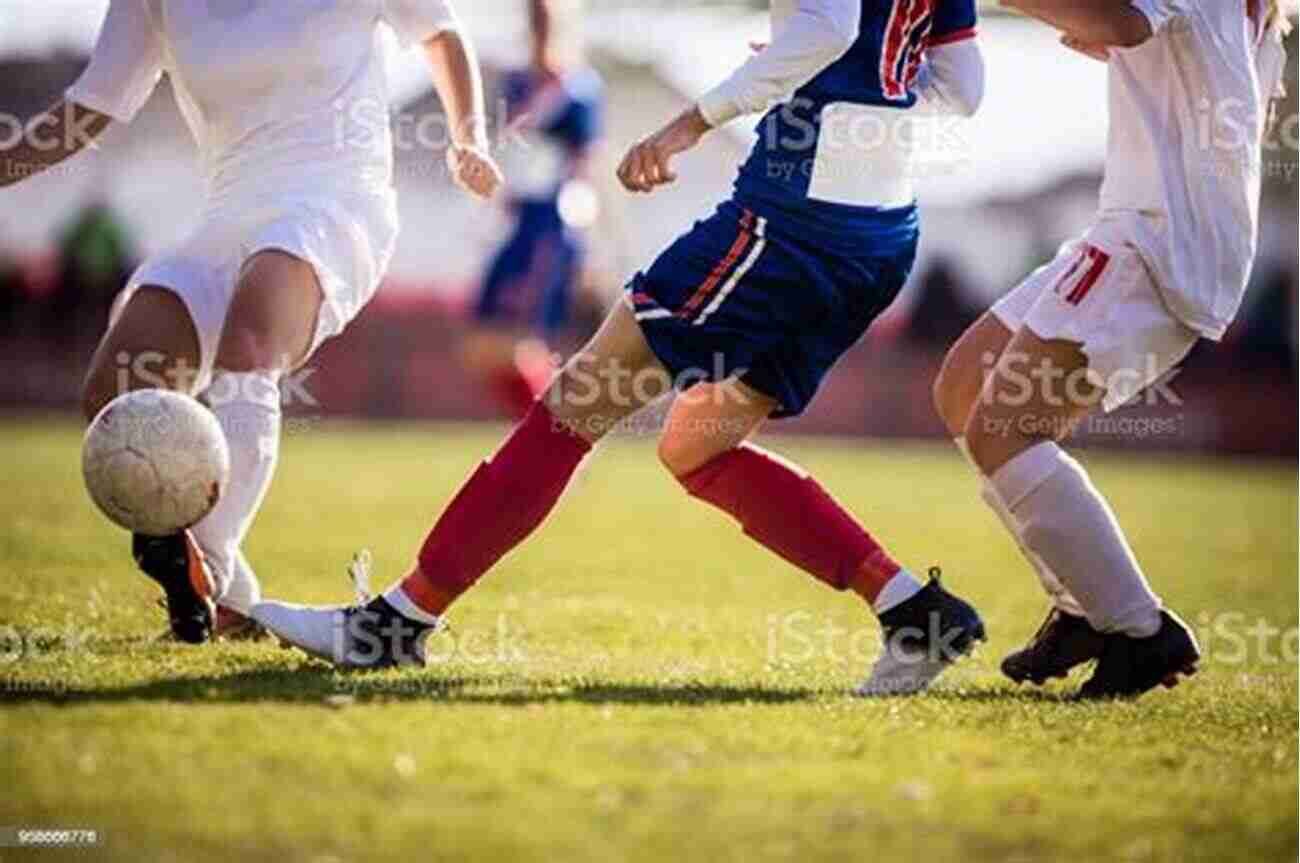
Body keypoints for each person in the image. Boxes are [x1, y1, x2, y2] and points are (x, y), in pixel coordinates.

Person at [257, 0, 988, 696]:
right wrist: (857, 113)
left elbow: (828, 26)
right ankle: (913, 613)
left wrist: (690, 124)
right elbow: (962, 89)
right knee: (696, 448)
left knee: (575, 404)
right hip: (882, 233)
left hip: (793, 222)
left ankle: (396, 622)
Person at [0, 0, 504, 644]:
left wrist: (469, 140)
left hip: (334, 198)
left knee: (247, 349)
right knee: (114, 391)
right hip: (226, 212)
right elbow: (93, 103)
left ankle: (207, 564)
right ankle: (229, 597)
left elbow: (442, 34)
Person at [931, 0, 1289, 698]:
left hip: (1155, 241)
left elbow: (1123, 24)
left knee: (1005, 429)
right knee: (963, 386)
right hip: (1135, 227)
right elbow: (1137, 41)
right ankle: (1083, 610)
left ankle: (1140, 631)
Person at [462, 0, 606, 419]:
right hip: (515, 218)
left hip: (551, 222)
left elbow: (586, 164)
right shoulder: (516, 83)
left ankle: (553, 439)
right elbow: (505, 146)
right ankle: (540, 433)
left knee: (525, 341)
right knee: (482, 344)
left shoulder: (579, 89)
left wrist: (586, 239)